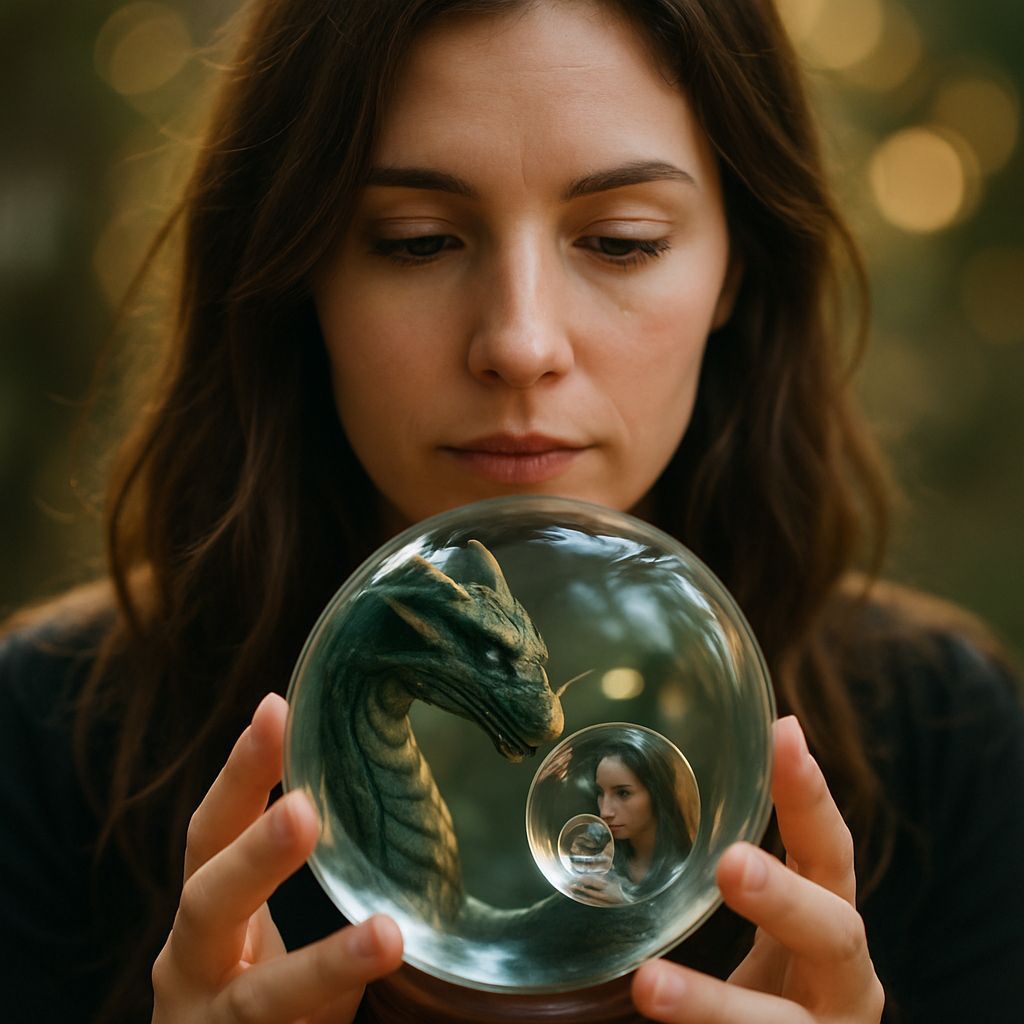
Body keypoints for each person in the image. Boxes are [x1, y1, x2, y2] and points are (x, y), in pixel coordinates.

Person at [1, 0, 1022, 1021]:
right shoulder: (50, 739)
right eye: (415, 241)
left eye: (621, 242)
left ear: (734, 267)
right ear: (294, 260)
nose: (521, 340)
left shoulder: (942, 740)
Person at [573, 735, 697, 905]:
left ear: (657, 793)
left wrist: (627, 901)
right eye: (600, 793)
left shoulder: (693, 868)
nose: (605, 812)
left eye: (623, 793)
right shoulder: (600, 859)